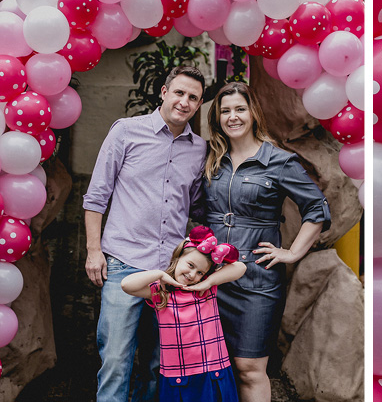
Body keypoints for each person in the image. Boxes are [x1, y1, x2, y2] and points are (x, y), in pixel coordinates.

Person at [200, 82, 331, 402]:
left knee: (249, 367)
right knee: (211, 365)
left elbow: (317, 208)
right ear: (217, 117)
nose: (232, 117)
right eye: (225, 111)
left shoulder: (279, 161)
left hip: (256, 278)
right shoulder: (211, 158)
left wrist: (293, 252)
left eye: (239, 109)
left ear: (253, 113)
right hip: (210, 275)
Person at [84, 65, 208, 402]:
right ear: (164, 92)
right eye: (179, 92)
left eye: (193, 98)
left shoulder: (199, 150)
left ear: (198, 105)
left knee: (158, 363)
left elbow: (194, 207)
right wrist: (94, 251)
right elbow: (96, 196)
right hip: (124, 263)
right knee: (115, 359)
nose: (184, 101)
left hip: (171, 272)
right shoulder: (126, 131)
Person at [121, 226, 247, 402]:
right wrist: (159, 274)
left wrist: (208, 281)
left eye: (200, 272)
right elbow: (126, 285)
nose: (192, 274)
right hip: (178, 374)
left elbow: (240, 267)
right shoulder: (160, 291)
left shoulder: (206, 290)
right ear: (177, 257)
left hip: (213, 369)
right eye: (190, 265)